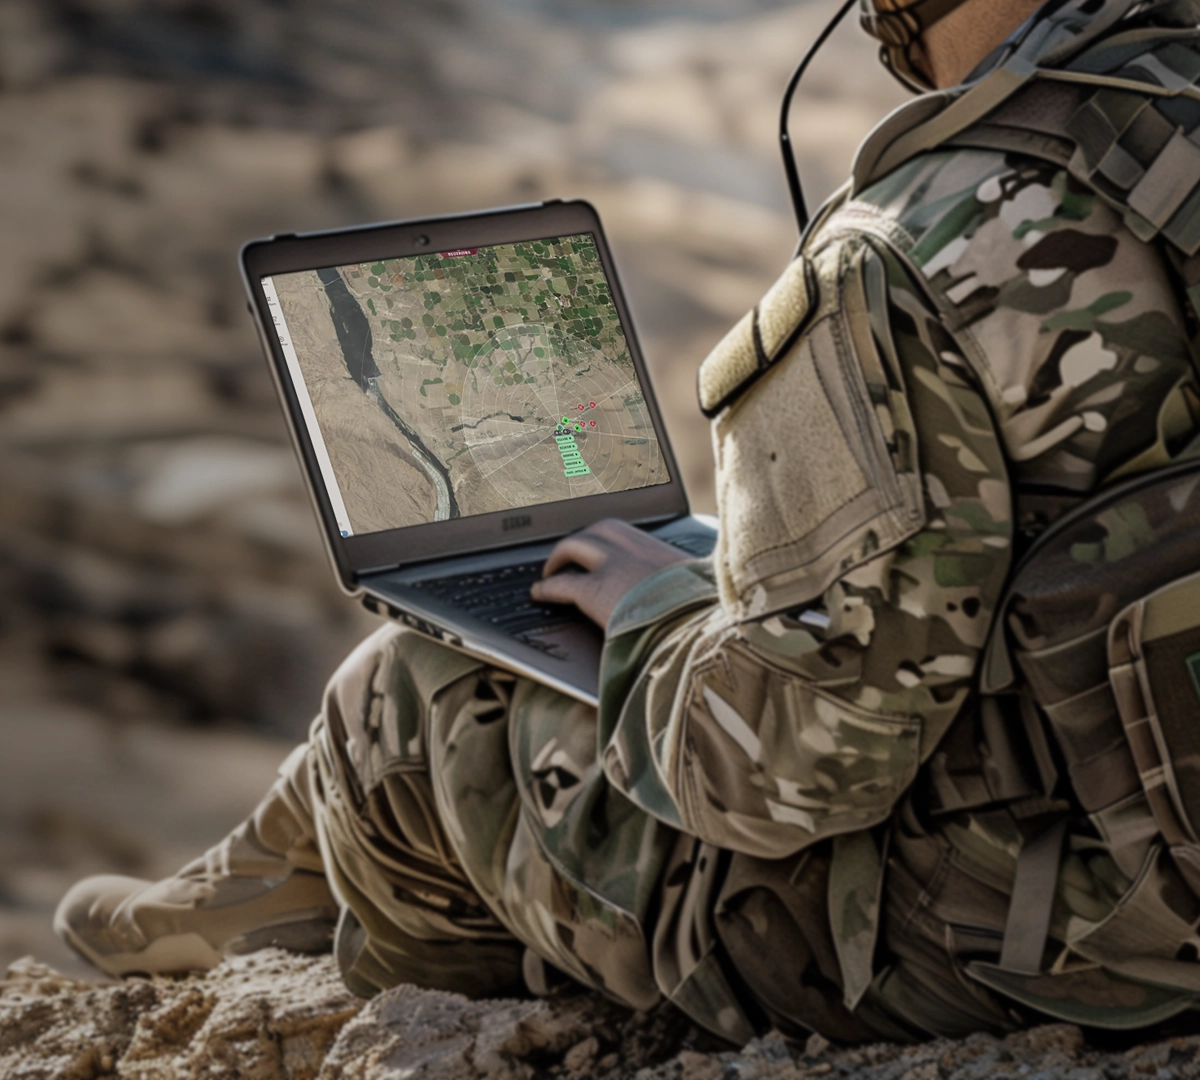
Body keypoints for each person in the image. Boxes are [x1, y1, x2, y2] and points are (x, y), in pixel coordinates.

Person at [56, 0, 1200, 1044]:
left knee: (414, 688)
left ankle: (418, 1002)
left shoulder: (913, 245)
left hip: (1073, 942)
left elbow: (777, 775)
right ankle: (267, 875)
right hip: (1146, 842)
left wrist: (656, 613)